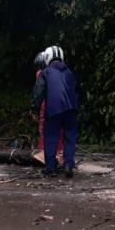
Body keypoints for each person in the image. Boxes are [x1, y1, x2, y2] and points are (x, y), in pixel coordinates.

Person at [30, 45, 79, 178]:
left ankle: (51, 168)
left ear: (47, 58)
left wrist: (34, 109)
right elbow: (74, 89)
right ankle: (68, 164)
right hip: (71, 108)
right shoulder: (69, 71)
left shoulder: (46, 72)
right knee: (70, 137)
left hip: (53, 109)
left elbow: (38, 91)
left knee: (51, 137)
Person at [31, 51, 63, 165]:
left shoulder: (41, 74)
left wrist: (34, 109)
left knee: (44, 131)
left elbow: (38, 93)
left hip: (47, 107)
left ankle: (49, 156)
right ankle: (59, 154)